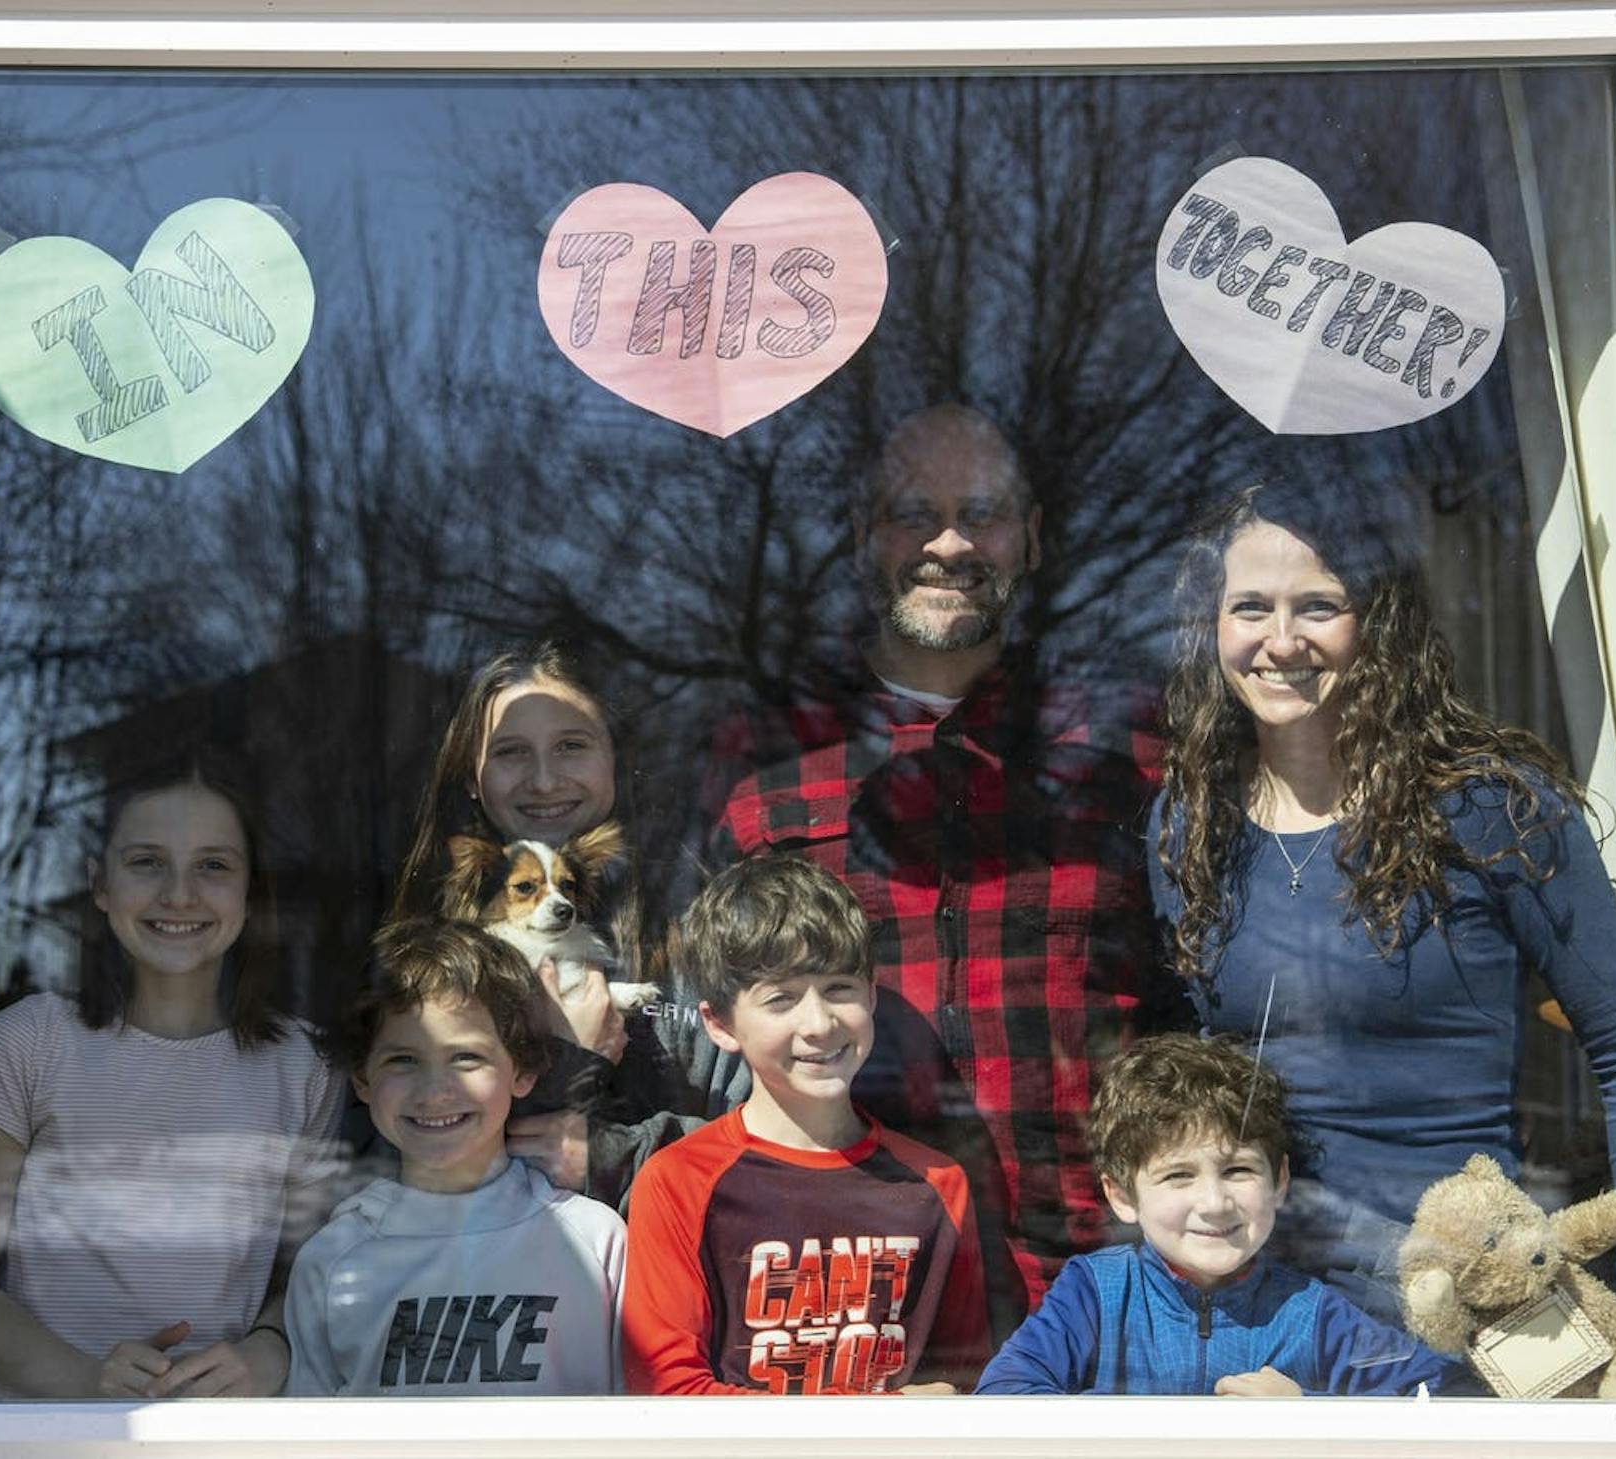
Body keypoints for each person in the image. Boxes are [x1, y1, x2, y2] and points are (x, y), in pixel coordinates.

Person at [1145, 477, 1616, 1318]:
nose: (1281, 640)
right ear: (1211, 627)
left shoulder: (1489, 806)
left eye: (1318, 605)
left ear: (1378, 619)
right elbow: (1212, 1072)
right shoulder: (1187, 825)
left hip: (1469, 1305)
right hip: (1262, 1304)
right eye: (1250, 608)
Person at [700, 403, 1163, 1323]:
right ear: (864, 536)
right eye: (915, 513)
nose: (949, 543)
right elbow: (706, 1040)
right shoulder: (767, 762)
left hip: (1102, 1287)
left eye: (983, 512)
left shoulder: (1126, 758)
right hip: (843, 1290)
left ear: (1030, 539)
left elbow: (1199, 1009)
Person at [0, 751, 342, 1398]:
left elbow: (308, 1271)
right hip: (44, 1439)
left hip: (219, 1439)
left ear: (251, 889)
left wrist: (269, 1347)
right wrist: (90, 1380)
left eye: (213, 865)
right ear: (100, 884)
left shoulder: (305, 1065)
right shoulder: (27, 1041)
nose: (179, 893)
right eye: (147, 861)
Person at [392, 642, 750, 1205]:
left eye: (571, 746)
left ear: (615, 755)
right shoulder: (425, 949)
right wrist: (562, 1068)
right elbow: (390, 1146)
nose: (544, 780)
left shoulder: (702, 923)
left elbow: (766, 1143)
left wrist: (615, 1156)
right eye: (510, 751)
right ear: (470, 777)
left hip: (668, 1264)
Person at [621, 856, 990, 1395]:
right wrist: (874, 1414)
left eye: (838, 988)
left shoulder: (939, 1185)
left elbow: (965, 1382)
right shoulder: (678, 1181)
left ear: (871, 992)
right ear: (719, 1023)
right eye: (781, 999)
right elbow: (670, 1394)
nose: (818, 1024)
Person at [976, 1034, 1452, 1396]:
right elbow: (1004, 1394)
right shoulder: (1095, 1292)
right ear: (1122, 1196)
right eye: (1178, 1176)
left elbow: (1436, 1395)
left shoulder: (1312, 1312)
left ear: (1280, 1181)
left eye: (1239, 1169)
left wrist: (1311, 1413)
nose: (1214, 1202)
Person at [284, 919, 626, 1396]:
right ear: (362, 1078)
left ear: (522, 1070)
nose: (436, 1091)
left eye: (467, 1058)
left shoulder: (597, 1240)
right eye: (403, 1060)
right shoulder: (331, 1260)